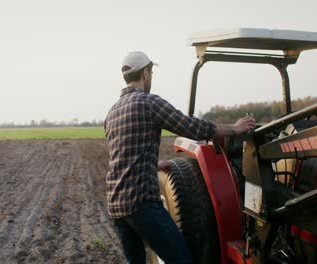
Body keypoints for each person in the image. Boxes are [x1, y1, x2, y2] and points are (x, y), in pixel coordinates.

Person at [104, 51, 255, 264]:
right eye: (152, 72)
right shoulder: (149, 103)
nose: (152, 77)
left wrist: (154, 165)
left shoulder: (112, 112)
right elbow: (190, 127)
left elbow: (121, 157)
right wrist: (234, 128)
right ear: (145, 73)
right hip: (141, 203)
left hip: (116, 205)